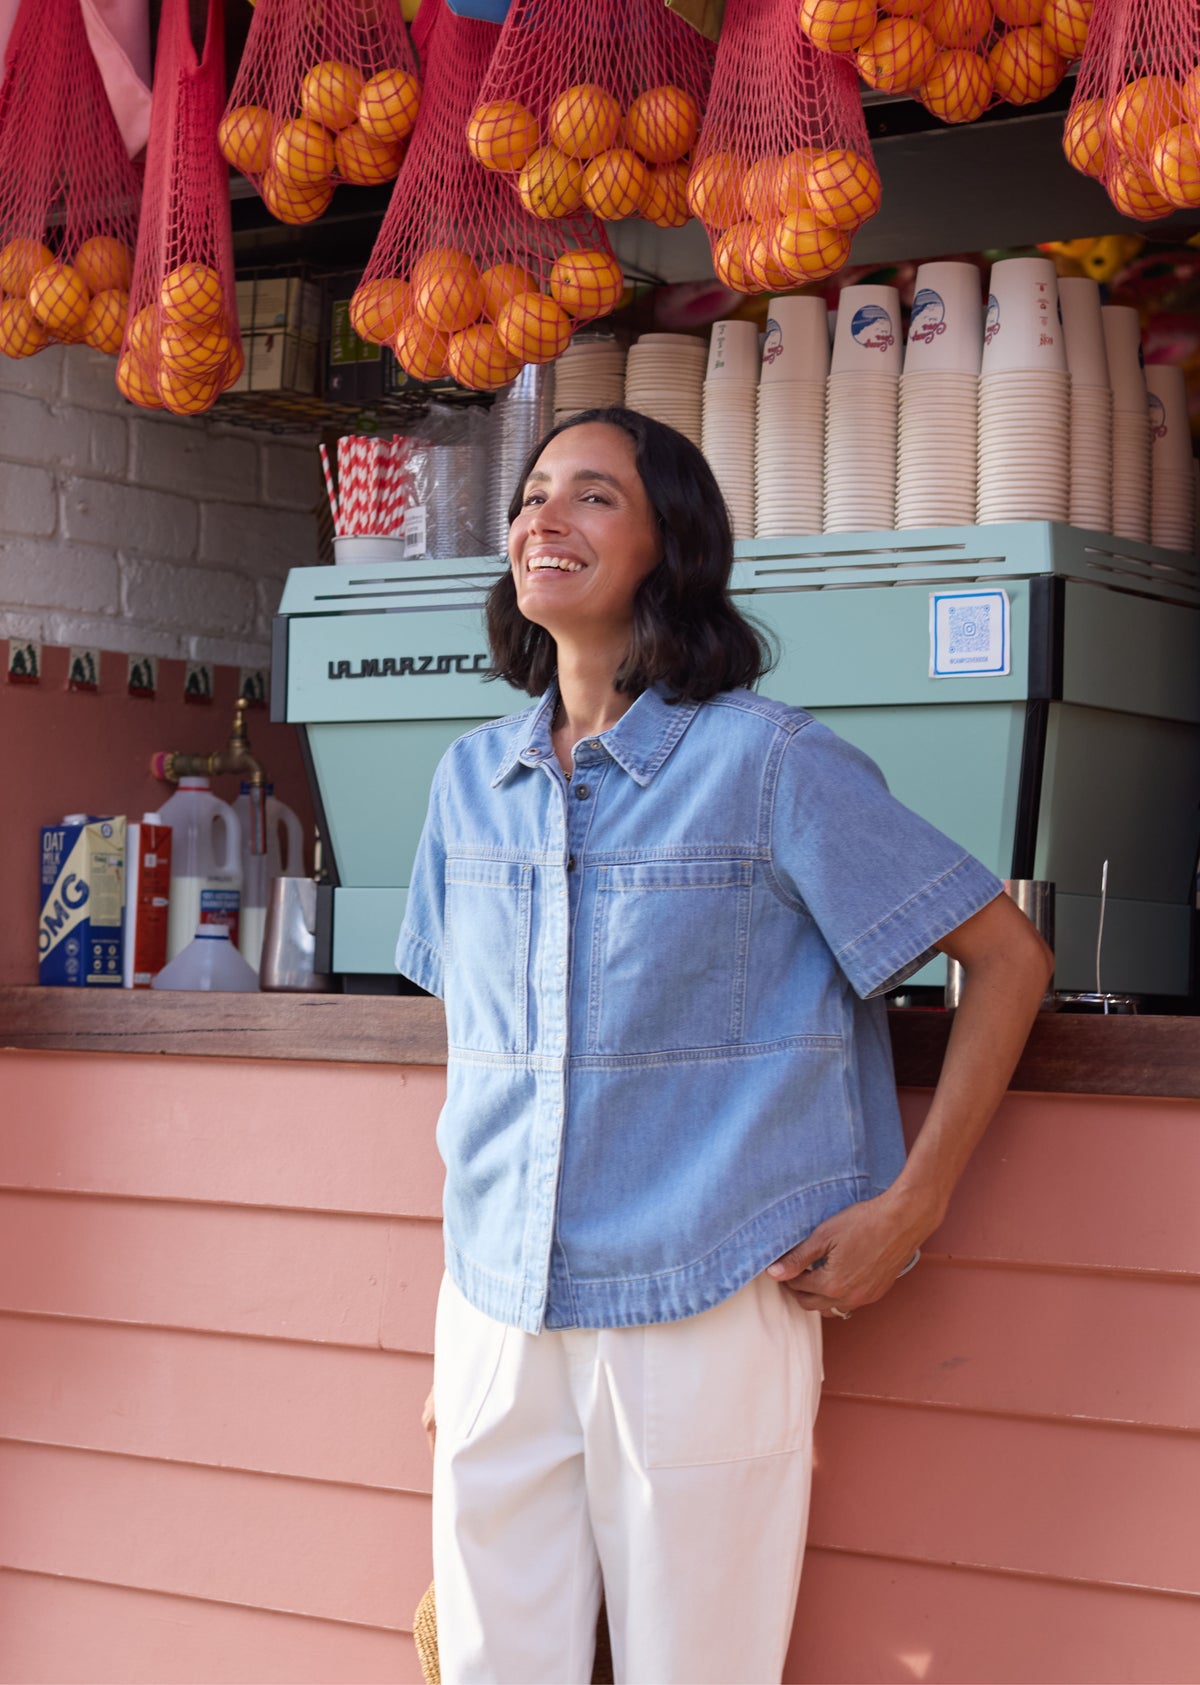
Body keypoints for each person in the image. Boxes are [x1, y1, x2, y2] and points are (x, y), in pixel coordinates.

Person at [396, 407, 1053, 1685]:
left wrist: (909, 1206)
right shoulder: (464, 781)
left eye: (593, 496)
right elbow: (484, 1063)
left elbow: (1008, 957)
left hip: (700, 1305)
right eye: (534, 493)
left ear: (671, 547)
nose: (545, 516)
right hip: (495, 1307)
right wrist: (454, 1334)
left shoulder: (770, 763)